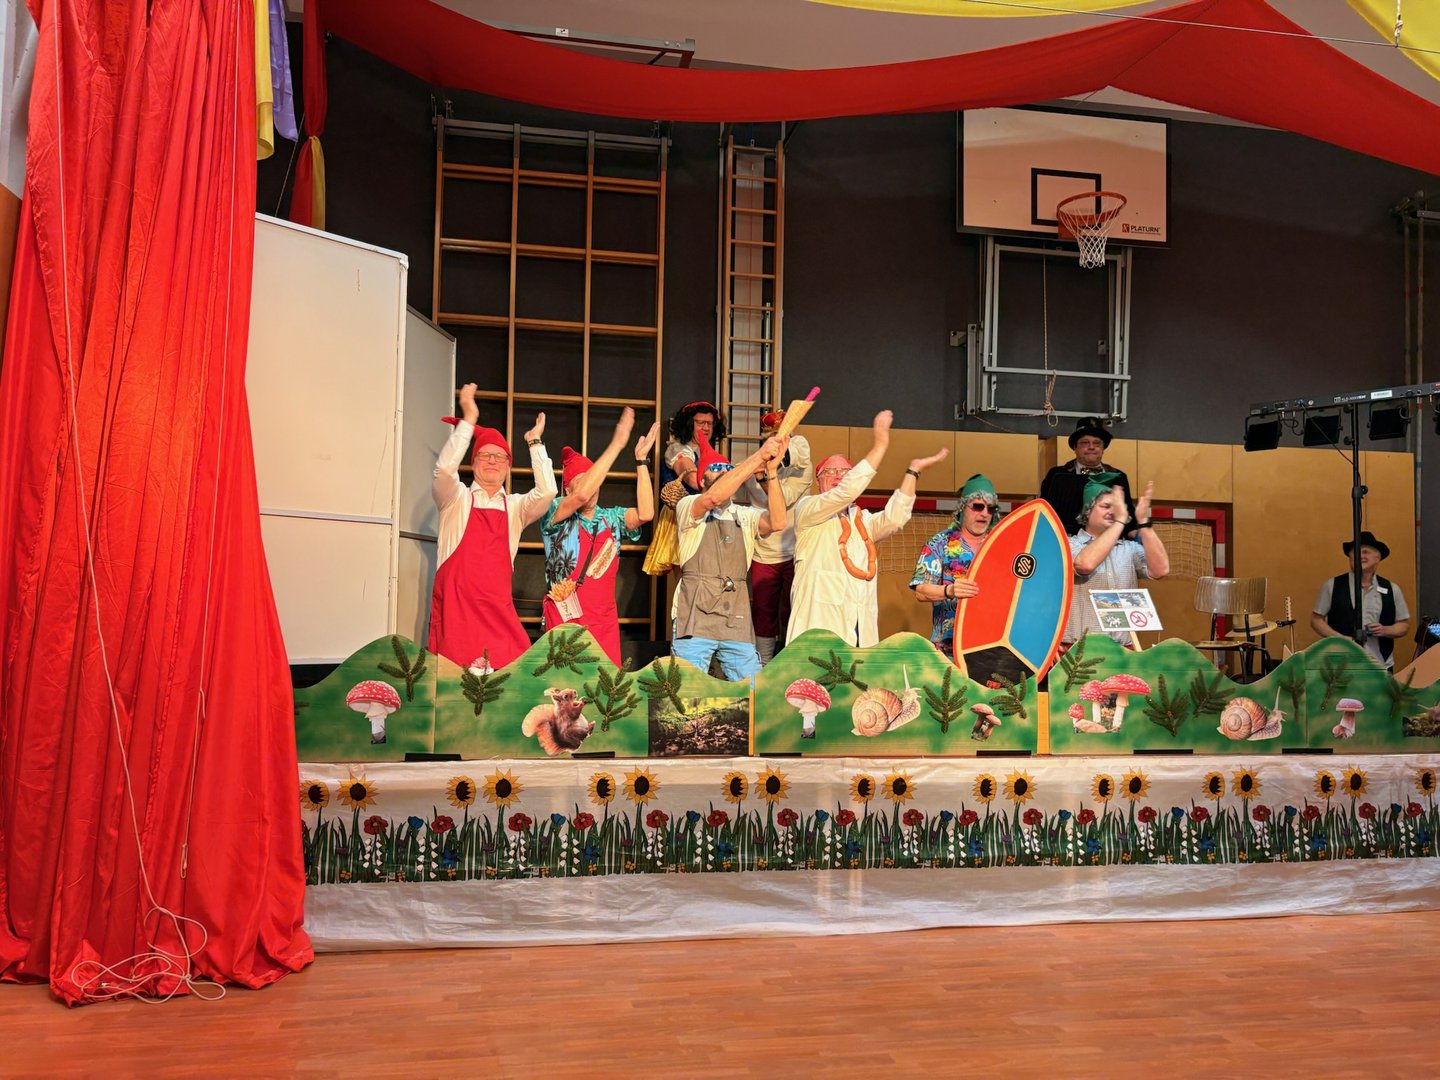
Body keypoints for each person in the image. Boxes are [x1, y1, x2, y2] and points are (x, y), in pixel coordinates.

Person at [787, 410, 948, 648]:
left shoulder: (863, 520)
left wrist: (913, 472)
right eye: (830, 472)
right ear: (818, 482)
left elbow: (895, 518)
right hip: (817, 631)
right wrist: (880, 446)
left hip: (858, 633)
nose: (838, 476)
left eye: (845, 472)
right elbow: (845, 493)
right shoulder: (808, 509)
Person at [429, 384, 556, 669]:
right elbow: (444, 470)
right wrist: (469, 420)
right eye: (485, 455)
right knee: (455, 688)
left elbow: (547, 491)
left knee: (508, 684)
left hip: (499, 619)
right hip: (456, 617)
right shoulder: (455, 499)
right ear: (473, 462)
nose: (492, 461)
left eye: (500, 457)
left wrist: (535, 443)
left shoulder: (515, 507)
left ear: (508, 466)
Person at [540, 409, 661, 666]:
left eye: (595, 479)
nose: (592, 487)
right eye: (584, 480)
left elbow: (646, 513)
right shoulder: (555, 512)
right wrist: (617, 443)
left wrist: (641, 462)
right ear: (567, 489)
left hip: (602, 620)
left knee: (605, 685)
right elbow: (582, 495)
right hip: (565, 619)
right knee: (565, 684)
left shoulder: (611, 518)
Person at [672, 428, 789, 680]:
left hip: (735, 612)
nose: (723, 472)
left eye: (727, 469)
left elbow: (779, 522)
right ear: (701, 480)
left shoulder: (744, 515)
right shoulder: (688, 506)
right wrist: (759, 456)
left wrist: (771, 472)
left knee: (752, 688)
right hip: (695, 613)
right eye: (715, 468)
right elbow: (714, 497)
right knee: (687, 689)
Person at [735, 409, 814, 663]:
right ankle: (764, 663)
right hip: (764, 552)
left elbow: (783, 498)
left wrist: (764, 473)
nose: (777, 443)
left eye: (783, 438)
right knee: (763, 611)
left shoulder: (802, 469)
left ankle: (794, 663)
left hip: (795, 551)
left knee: (794, 610)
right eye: (772, 438)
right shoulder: (754, 464)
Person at [1063, 471, 1170, 645]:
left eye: (1117, 507)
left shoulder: (1129, 548)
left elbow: (1161, 570)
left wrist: (1143, 523)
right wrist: (1120, 521)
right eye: (1106, 506)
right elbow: (1085, 564)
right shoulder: (1068, 543)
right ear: (1087, 511)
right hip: (1080, 649)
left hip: (1124, 648)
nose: (1113, 512)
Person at [909, 473, 1000, 658]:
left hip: (994, 650)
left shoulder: (1002, 544)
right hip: (948, 652)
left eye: (990, 508)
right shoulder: (939, 543)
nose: (984, 513)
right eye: (978, 506)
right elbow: (920, 591)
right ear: (962, 507)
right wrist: (949, 590)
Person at [644, 400, 728, 576]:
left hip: (706, 514)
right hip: (683, 515)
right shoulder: (678, 450)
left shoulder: (708, 451)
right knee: (688, 574)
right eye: (700, 423)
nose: (706, 428)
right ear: (689, 424)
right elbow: (693, 480)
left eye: (710, 423)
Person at [1310, 531, 1409, 669]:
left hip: (1380, 666)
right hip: (1341, 666)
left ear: (1377, 558)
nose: (1360, 556)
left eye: (1366, 552)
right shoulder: (1332, 585)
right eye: (1355, 552)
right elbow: (1316, 620)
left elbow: (1403, 624)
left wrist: (1386, 630)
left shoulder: (1392, 589)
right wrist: (1340, 639)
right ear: (1349, 557)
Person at [1040, 416, 1135, 538]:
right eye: (1085, 442)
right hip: (1065, 540)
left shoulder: (1118, 477)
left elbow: (1129, 518)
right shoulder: (1057, 474)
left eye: (1097, 443)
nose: (1091, 447)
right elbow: (1043, 513)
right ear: (1075, 447)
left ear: (1103, 448)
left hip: (1109, 541)